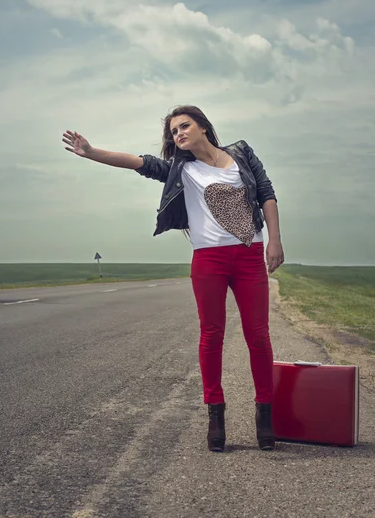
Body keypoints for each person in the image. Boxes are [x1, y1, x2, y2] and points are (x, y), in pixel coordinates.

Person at [62, 105, 284, 452]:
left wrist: (274, 240)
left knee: (258, 334)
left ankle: (265, 417)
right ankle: (215, 417)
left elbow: (267, 193)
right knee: (211, 335)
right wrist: (90, 153)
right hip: (208, 259)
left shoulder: (241, 153)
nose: (178, 134)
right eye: (174, 131)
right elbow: (138, 162)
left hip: (250, 255)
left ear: (203, 127)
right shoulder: (180, 170)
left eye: (184, 126)